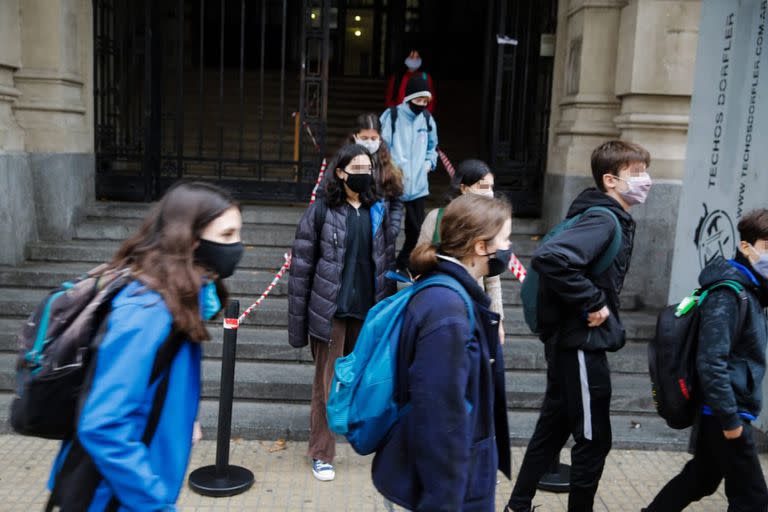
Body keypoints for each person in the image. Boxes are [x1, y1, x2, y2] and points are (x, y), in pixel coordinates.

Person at [46, 182, 244, 510]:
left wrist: (182, 423)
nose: (237, 246)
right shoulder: (146, 313)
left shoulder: (176, 300)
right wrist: (154, 505)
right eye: (226, 236)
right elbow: (104, 424)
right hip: (110, 498)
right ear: (189, 239)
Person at [506, 140, 652, 512]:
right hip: (581, 343)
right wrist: (593, 301)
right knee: (593, 438)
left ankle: (518, 505)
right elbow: (552, 258)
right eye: (636, 174)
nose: (646, 180)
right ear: (610, 180)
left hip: (573, 342)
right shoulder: (603, 218)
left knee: (552, 428)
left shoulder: (605, 216)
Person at [372, 193, 513, 511]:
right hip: (451, 489)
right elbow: (439, 414)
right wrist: (444, 500)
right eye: (505, 239)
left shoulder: (451, 293)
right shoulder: (447, 309)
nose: (508, 249)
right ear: (480, 246)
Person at [643, 209, 768, 512]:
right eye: (767, 247)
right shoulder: (728, 294)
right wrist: (731, 421)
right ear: (745, 247)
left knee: (701, 478)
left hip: (727, 409)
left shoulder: (750, 291)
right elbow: (711, 361)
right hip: (727, 411)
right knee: (753, 500)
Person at [288, 143, 398, 482]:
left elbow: (387, 264)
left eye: (369, 168)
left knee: (364, 379)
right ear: (340, 172)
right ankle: (321, 452)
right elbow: (301, 271)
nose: (364, 174)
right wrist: (298, 326)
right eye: (357, 168)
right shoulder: (320, 211)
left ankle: (361, 437)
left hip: (366, 312)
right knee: (327, 384)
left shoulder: (377, 211)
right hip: (330, 311)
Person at [418, 159, 505, 341]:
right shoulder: (437, 218)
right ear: (464, 188)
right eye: (482, 186)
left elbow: (493, 280)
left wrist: (498, 321)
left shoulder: (489, 223)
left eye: (491, 187)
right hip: (438, 303)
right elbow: (419, 260)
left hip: (475, 307)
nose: (489, 192)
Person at [381, 74, 438, 276]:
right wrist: (389, 169)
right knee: (388, 228)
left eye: (425, 101)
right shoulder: (393, 115)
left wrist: (428, 163)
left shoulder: (428, 119)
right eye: (419, 100)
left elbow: (433, 147)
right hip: (394, 183)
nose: (422, 104)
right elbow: (382, 147)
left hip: (419, 185)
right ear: (409, 98)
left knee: (416, 229)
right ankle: (384, 263)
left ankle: (403, 262)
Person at [347, 112, 405, 270]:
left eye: (373, 138)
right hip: (350, 234)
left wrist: (392, 228)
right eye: (364, 138)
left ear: (380, 138)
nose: (369, 143)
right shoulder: (343, 162)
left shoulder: (389, 167)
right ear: (355, 136)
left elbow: (397, 202)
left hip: (381, 237)